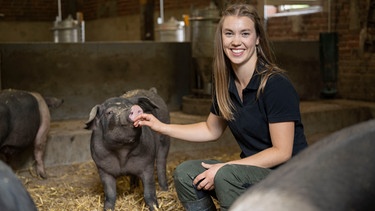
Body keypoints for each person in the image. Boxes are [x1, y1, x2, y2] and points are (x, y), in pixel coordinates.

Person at [134, 3, 308, 211]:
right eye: (229, 33)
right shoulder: (225, 85)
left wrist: (225, 167)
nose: (236, 41)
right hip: (251, 175)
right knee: (185, 173)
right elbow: (210, 129)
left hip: (289, 179)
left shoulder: (274, 84)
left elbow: (282, 152)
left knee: (225, 175)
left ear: (257, 38)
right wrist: (160, 126)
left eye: (245, 33)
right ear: (221, 39)